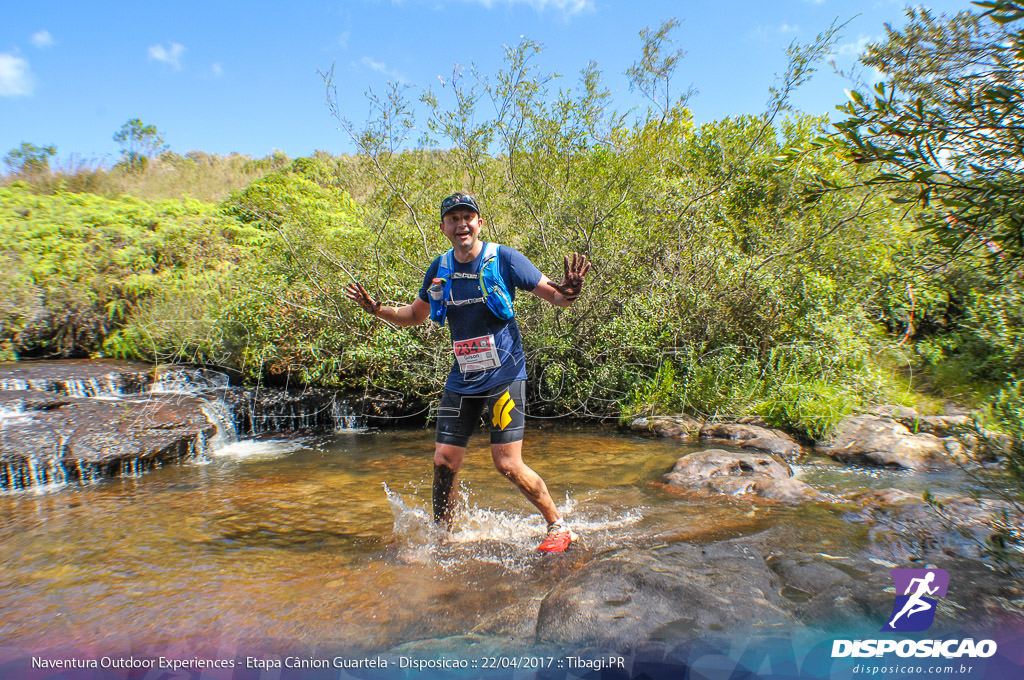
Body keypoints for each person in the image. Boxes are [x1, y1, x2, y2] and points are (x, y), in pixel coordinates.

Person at [345, 192, 591, 553]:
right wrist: (377, 308)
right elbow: (414, 315)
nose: (461, 224)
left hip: (505, 376)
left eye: (468, 217)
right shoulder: (440, 268)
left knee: (507, 464)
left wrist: (570, 291)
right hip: (462, 380)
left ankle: (558, 526)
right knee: (444, 460)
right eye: (453, 218)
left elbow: (556, 296)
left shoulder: (504, 259)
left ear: (479, 222)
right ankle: (442, 536)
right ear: (444, 227)